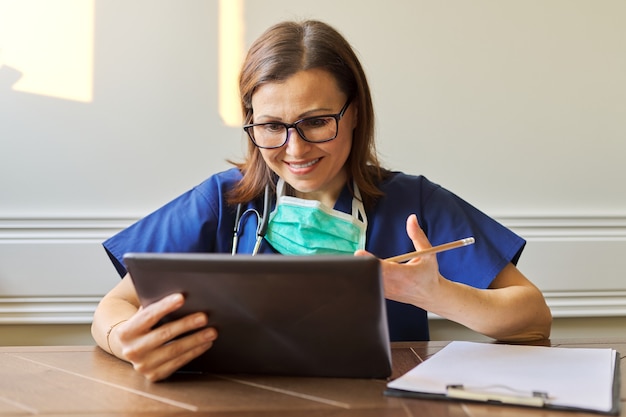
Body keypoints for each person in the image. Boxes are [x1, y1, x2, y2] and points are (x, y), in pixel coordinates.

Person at [91, 19, 552, 382]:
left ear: (355, 114)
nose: (294, 150)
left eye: (316, 122)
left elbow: (533, 318)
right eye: (272, 126)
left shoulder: (414, 202)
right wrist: (122, 340)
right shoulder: (223, 200)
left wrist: (438, 295)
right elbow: (111, 309)